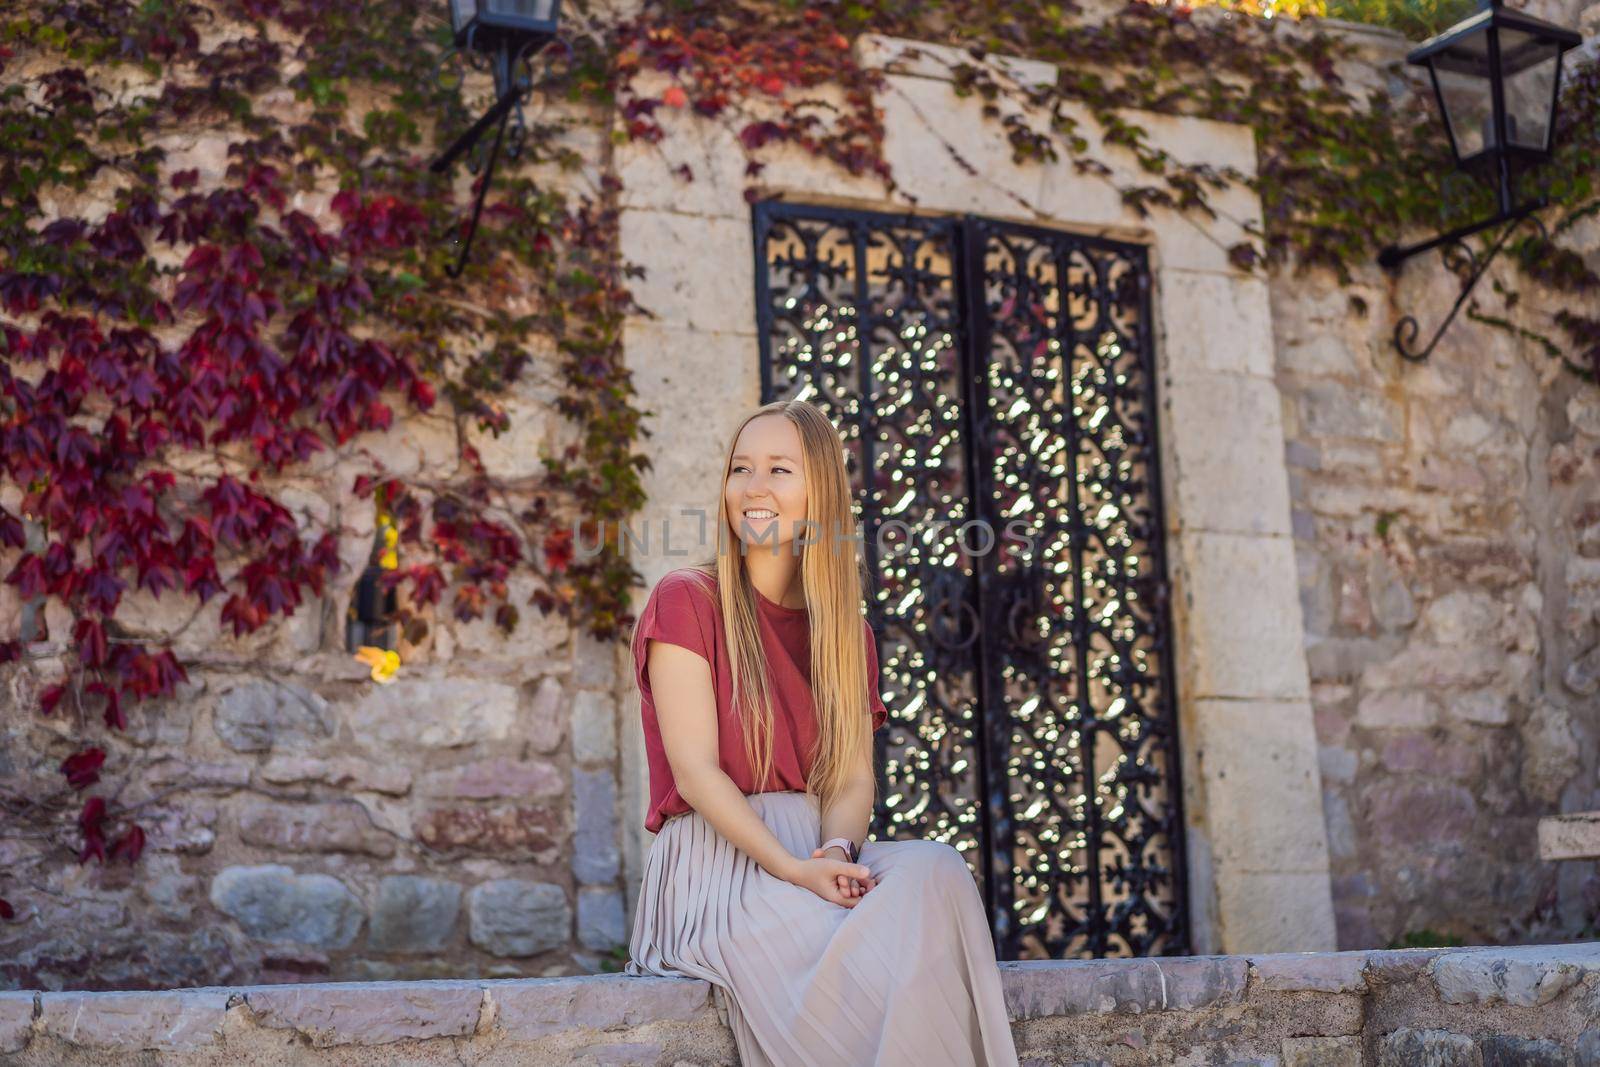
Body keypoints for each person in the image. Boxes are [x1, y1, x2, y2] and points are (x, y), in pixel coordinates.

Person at [625, 399, 1020, 1067]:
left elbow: (851, 776)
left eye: (779, 469)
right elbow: (695, 772)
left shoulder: (845, 634)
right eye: (740, 468)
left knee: (937, 869)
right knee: (881, 958)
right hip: (722, 868)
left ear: (819, 494)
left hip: (813, 852)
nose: (753, 487)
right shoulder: (686, 599)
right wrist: (793, 869)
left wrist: (833, 849)